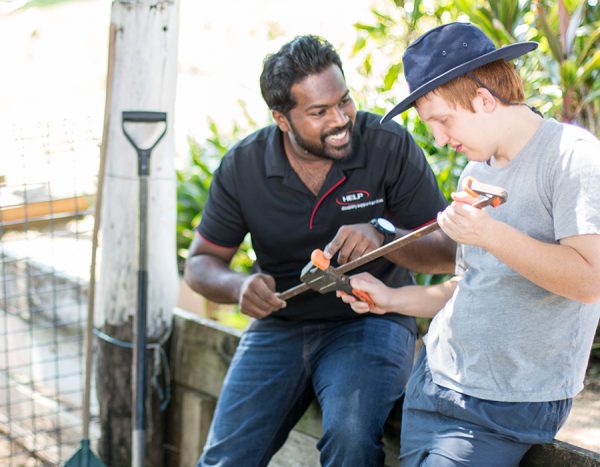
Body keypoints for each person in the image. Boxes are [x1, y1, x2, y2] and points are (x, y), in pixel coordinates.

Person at [184, 34, 455, 466]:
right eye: (319, 112)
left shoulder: (386, 144)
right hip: (280, 325)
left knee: (350, 437)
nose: (341, 119)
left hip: (373, 318)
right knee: (225, 459)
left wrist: (384, 237)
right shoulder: (244, 165)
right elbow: (200, 264)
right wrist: (239, 287)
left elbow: (449, 252)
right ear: (282, 118)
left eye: (344, 101)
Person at [340, 22, 600, 466]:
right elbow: (470, 285)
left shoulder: (573, 157)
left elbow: (589, 282)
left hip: (505, 404)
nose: (440, 139)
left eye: (443, 121)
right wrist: (391, 298)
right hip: (434, 383)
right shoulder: (475, 172)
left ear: (484, 99)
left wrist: (489, 233)